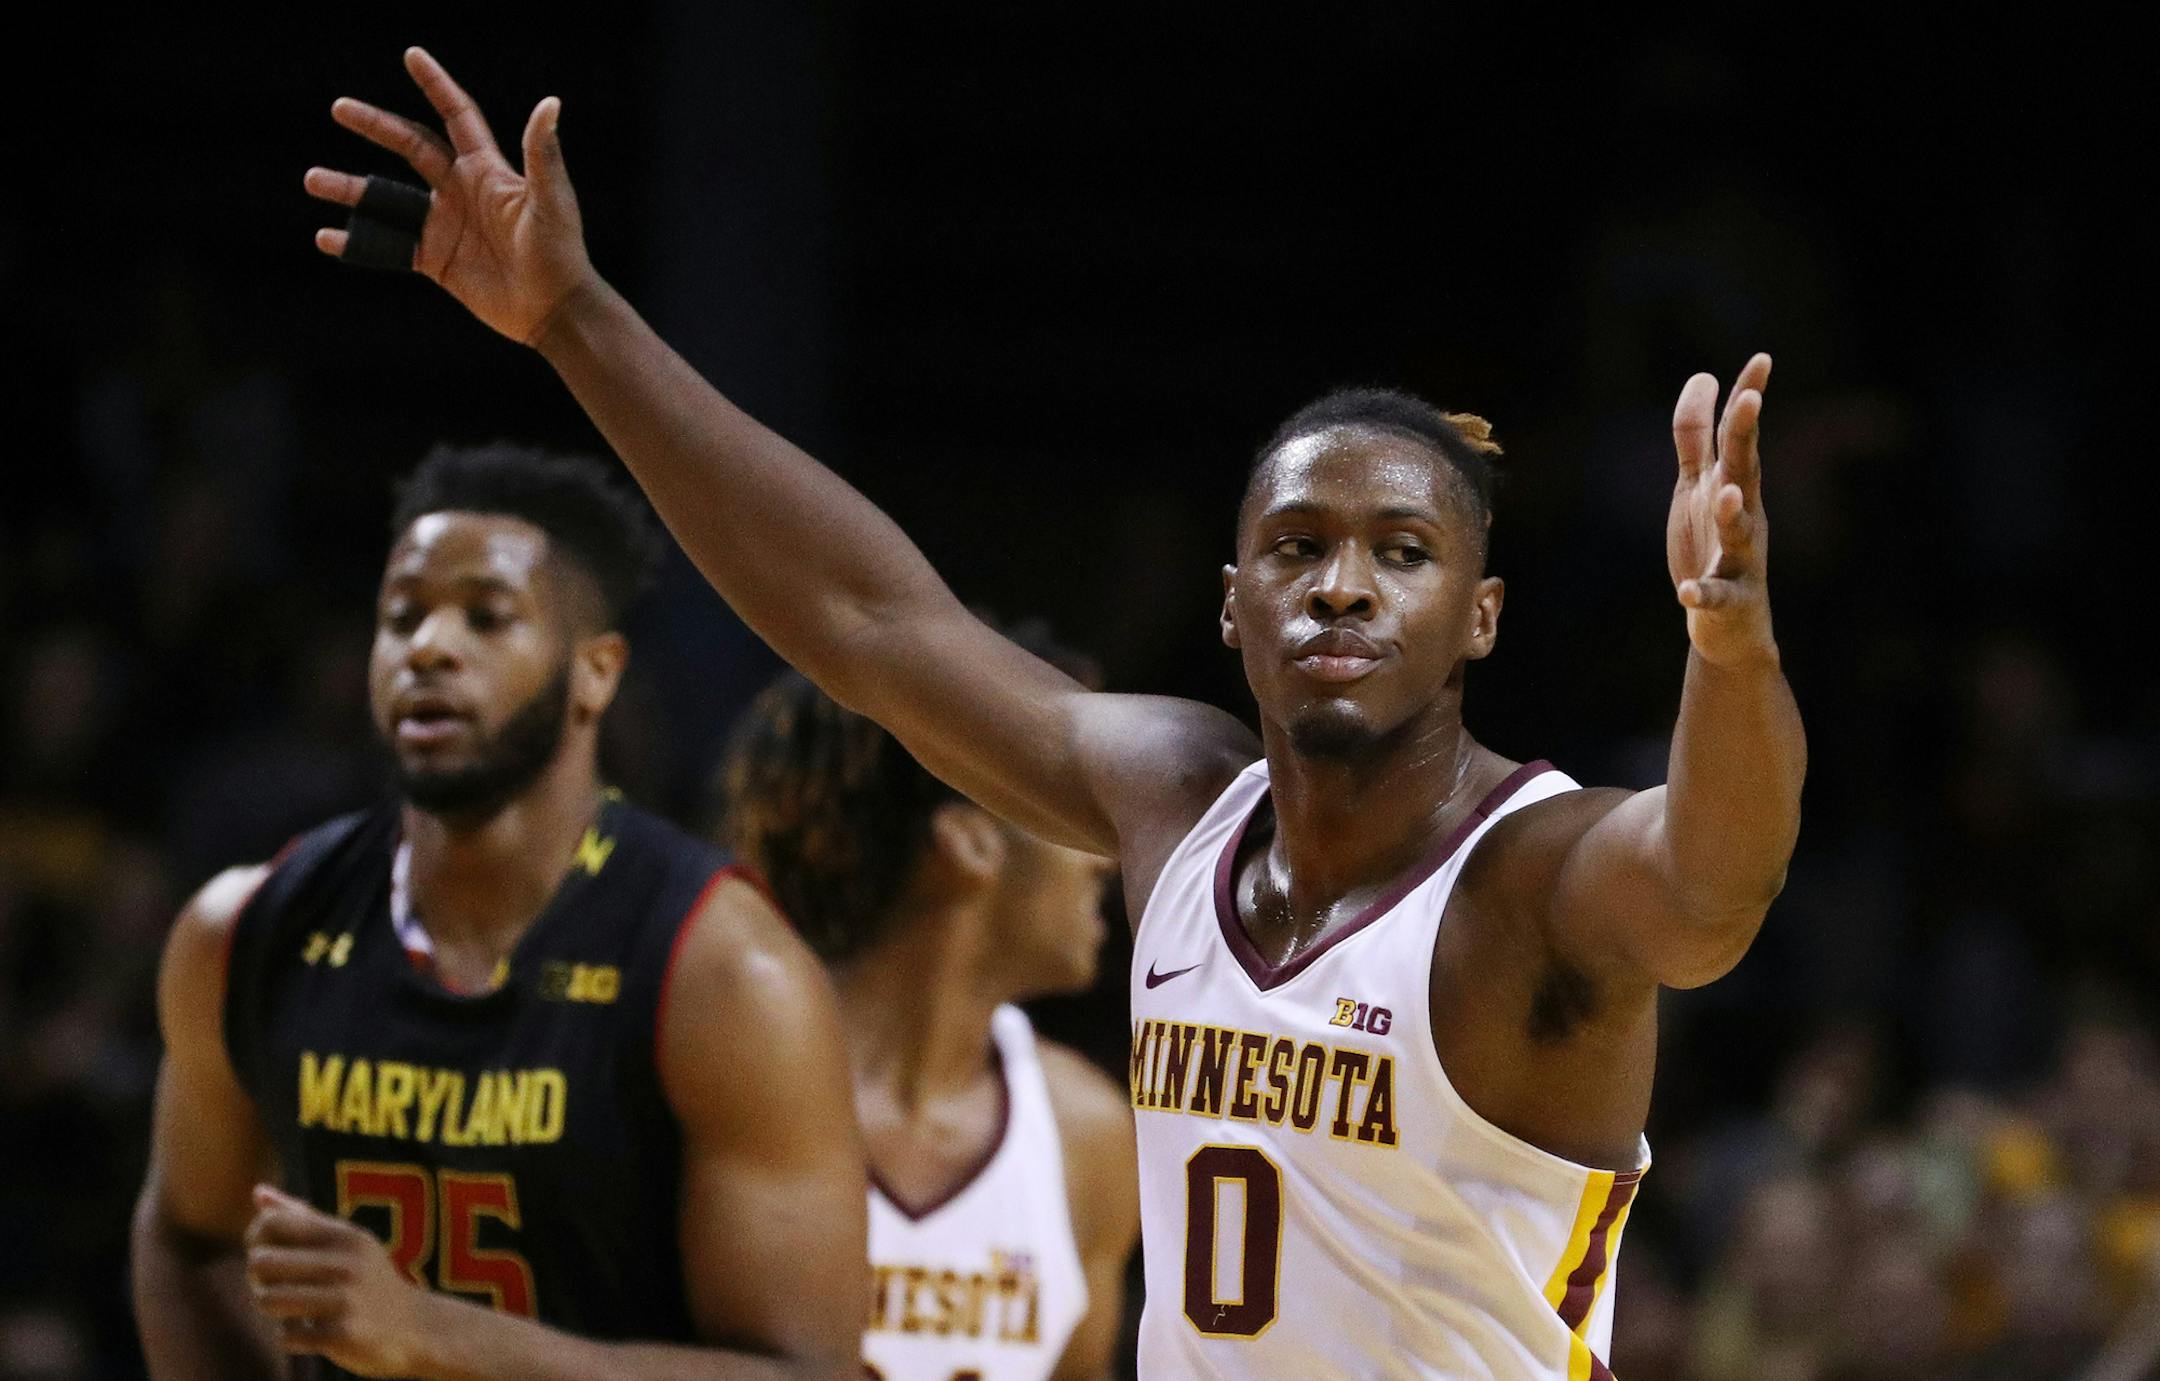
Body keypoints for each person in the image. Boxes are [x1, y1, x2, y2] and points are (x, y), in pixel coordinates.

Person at [305, 49, 1805, 1379]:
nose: (1343, 587)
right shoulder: (1177, 797)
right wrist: (571, 318)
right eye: (1298, 548)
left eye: (1402, 555)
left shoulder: (1529, 876)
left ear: (1478, 618)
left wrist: (1728, 652)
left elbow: (1713, 884)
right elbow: (867, 621)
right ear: (1233, 605)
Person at [130, 444, 868, 1380]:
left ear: (595, 675)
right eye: (401, 617)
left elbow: (810, 1374)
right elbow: (186, 1236)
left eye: (487, 616)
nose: (429, 647)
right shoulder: (246, 927)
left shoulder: (724, 972)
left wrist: (431, 1335)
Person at [717, 636, 1139, 1381]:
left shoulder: (1088, 1131)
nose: (1106, 852)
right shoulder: (726, 1083)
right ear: (970, 841)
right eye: (1069, 805)